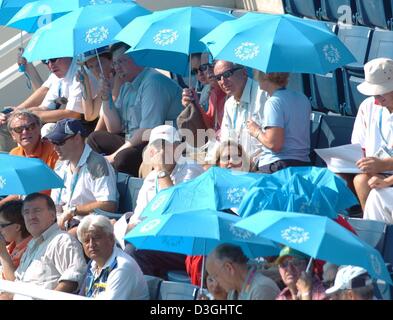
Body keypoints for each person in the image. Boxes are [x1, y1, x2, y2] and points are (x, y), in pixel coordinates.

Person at [87, 42, 183, 177]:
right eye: (115, 63)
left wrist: (114, 155)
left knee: (122, 158)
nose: (117, 68)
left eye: (121, 62)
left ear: (138, 60)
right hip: (134, 139)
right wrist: (106, 95)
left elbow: (147, 130)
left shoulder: (153, 81)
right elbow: (114, 128)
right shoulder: (127, 85)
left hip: (163, 144)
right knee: (94, 139)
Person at [122, 125, 204, 279]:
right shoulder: (151, 178)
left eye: (166, 145)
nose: (161, 151)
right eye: (156, 146)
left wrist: (162, 171)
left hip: (186, 243)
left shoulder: (191, 169)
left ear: (178, 148)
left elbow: (176, 210)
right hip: (160, 240)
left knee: (136, 251)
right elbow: (137, 220)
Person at [46, 119, 118, 235]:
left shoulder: (97, 164)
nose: (55, 148)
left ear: (77, 138)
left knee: (61, 241)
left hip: (89, 224)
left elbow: (108, 205)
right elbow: (56, 204)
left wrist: (73, 211)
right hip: (65, 223)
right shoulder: (60, 166)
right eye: (53, 142)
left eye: (59, 142)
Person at [9, 193, 86, 299]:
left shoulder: (63, 240)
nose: (31, 217)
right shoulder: (31, 245)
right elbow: (17, 282)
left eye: (37, 210)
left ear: (53, 215)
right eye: (26, 212)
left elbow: (73, 280)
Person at [247, 71, 311, 173]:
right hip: (303, 165)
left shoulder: (273, 102)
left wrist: (256, 131)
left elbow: (274, 144)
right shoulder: (302, 98)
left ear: (266, 75)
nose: (256, 78)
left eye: (257, 74)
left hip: (277, 166)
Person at [351, 58, 393, 211]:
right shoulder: (367, 106)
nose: (377, 99)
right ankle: (371, 230)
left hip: (386, 171)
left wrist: (384, 165)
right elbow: (359, 147)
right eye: (374, 94)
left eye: (381, 92)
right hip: (377, 172)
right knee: (360, 181)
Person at [77, 215, 149, 300]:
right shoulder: (93, 264)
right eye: (86, 241)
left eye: (96, 238)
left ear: (111, 239)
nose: (91, 245)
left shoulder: (121, 267)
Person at [0, 110, 58, 206]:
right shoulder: (14, 154)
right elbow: (16, 193)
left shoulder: (54, 150)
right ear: (13, 136)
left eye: (31, 127)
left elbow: (49, 190)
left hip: (48, 205)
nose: (25, 132)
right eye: (19, 129)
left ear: (39, 128)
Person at [213, 60, 267, 164]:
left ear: (244, 72)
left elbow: (274, 140)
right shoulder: (229, 104)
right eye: (218, 78)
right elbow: (226, 143)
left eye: (227, 74)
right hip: (241, 169)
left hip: (263, 167)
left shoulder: (263, 94)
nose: (223, 81)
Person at [206, 243, 280, 300]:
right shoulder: (234, 291)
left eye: (215, 276)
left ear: (229, 268)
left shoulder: (261, 289)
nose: (216, 282)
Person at [181, 54, 226, 136]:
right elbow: (209, 128)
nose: (200, 73)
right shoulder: (211, 91)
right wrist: (194, 105)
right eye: (195, 71)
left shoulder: (230, 90)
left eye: (212, 65)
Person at [0, 200, 32, 281]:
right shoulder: (12, 245)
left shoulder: (28, 250)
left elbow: (13, 281)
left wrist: (2, 252)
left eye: (2, 225)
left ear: (17, 227)